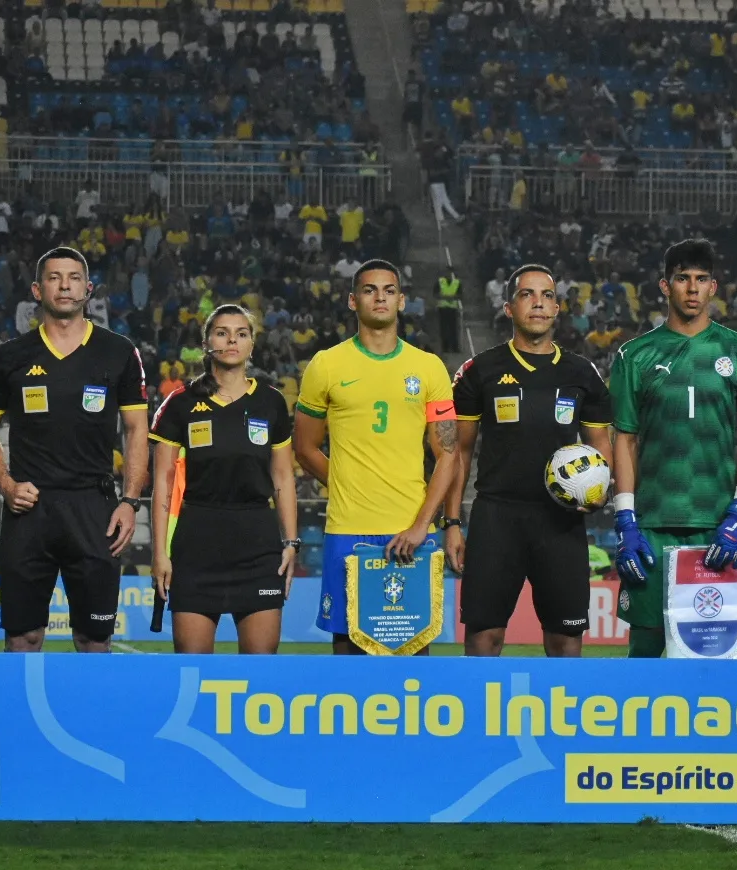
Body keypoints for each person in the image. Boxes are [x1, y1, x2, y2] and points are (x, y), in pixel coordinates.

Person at [0, 246, 149, 653]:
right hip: (29, 510)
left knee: (94, 638)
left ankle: (89, 718)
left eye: (73, 278)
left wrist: (131, 502)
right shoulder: (9, 356)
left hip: (94, 507)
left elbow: (137, 431)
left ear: (88, 289)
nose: (64, 285)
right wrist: (6, 483)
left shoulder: (119, 352)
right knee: (23, 636)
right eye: (54, 277)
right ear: (37, 290)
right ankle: (17, 718)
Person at [609, 238, 737, 658]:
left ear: (714, 287)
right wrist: (625, 519)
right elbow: (623, 438)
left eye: (701, 279)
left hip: (718, 527)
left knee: (718, 654)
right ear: (666, 286)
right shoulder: (635, 356)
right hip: (651, 525)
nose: (693, 288)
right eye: (683, 278)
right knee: (645, 649)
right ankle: (636, 725)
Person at [446, 264, 613, 656]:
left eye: (547, 296)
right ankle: (478, 716)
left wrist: (599, 488)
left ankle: (562, 717)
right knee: (484, 635)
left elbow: (600, 444)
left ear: (557, 309)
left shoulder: (581, 372)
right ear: (508, 308)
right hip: (496, 517)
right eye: (527, 294)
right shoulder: (479, 371)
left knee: (565, 637)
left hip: (561, 521)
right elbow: (460, 452)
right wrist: (453, 523)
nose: (538, 303)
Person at [293, 260, 458, 654]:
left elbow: (448, 455)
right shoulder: (326, 365)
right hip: (347, 531)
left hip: (412, 533)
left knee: (413, 656)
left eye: (388, 290)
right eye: (369, 290)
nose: (379, 297)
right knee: (348, 657)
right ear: (353, 301)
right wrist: (346, 483)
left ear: (401, 301)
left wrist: (423, 525)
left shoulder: (428, 367)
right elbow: (304, 447)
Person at [150, 304, 300, 654]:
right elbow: (163, 483)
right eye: (222, 332)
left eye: (242, 333)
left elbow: (283, 477)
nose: (232, 339)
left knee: (260, 669)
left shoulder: (271, 402)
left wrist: (291, 543)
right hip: (197, 542)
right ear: (207, 342)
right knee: (193, 669)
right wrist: (160, 552)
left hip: (257, 543)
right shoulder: (180, 403)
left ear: (251, 345)